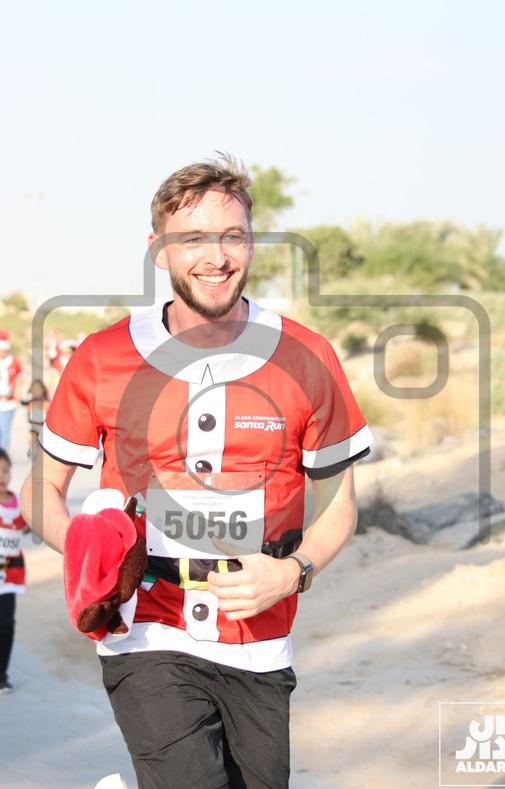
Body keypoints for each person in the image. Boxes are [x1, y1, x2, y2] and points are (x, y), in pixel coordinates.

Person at [22, 154, 373, 788]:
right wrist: (89, 554)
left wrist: (292, 573)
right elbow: (42, 487)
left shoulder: (307, 355)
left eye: (232, 236)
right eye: (193, 239)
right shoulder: (103, 355)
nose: (216, 257)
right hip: (146, 630)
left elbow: (339, 503)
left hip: (260, 638)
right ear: (159, 250)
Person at [0, 449, 29, 693]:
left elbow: (30, 524)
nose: (2, 476)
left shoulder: (20, 502)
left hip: (10, 574)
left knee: (6, 623)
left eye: (5, 470)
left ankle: (2, 674)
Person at [0, 331, 23, 452]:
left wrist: (17, 389)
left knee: (4, 430)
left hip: (9, 403)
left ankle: (3, 457)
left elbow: (19, 377)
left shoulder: (13, 361)